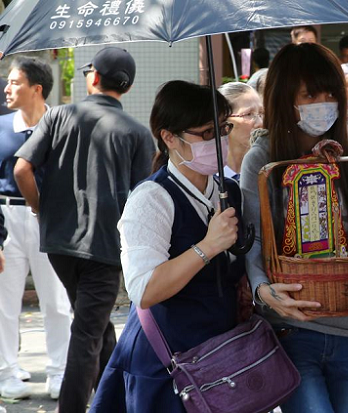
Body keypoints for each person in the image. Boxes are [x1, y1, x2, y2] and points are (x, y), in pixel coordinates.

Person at [240, 42, 348, 413]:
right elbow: (252, 240)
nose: (323, 102)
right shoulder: (263, 161)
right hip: (293, 328)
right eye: (309, 94)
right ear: (286, 99)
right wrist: (263, 290)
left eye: (331, 92)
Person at [13, 47, 155, 413]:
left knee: (94, 323)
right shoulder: (138, 134)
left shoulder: (58, 116)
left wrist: (38, 206)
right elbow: (144, 196)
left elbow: (22, 169)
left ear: (93, 77)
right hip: (105, 247)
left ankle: (115, 400)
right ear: (127, 85)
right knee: (88, 332)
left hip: (59, 243)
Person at [90, 80, 241, 412]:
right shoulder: (152, 198)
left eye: (224, 127)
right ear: (170, 137)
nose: (219, 140)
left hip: (222, 357)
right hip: (167, 365)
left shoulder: (229, 189)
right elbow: (143, 289)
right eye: (206, 132)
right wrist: (208, 246)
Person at [0, 58, 71, 401]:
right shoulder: (0, 127)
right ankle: (7, 371)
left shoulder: (64, 125)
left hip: (51, 218)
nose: (6, 88)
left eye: (14, 82)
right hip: (6, 218)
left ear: (36, 88)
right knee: (4, 301)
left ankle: (59, 372)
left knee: (57, 301)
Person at [218, 82, 263, 178]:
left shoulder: (267, 172)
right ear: (224, 122)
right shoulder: (210, 177)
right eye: (248, 114)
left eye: (261, 113)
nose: (260, 123)